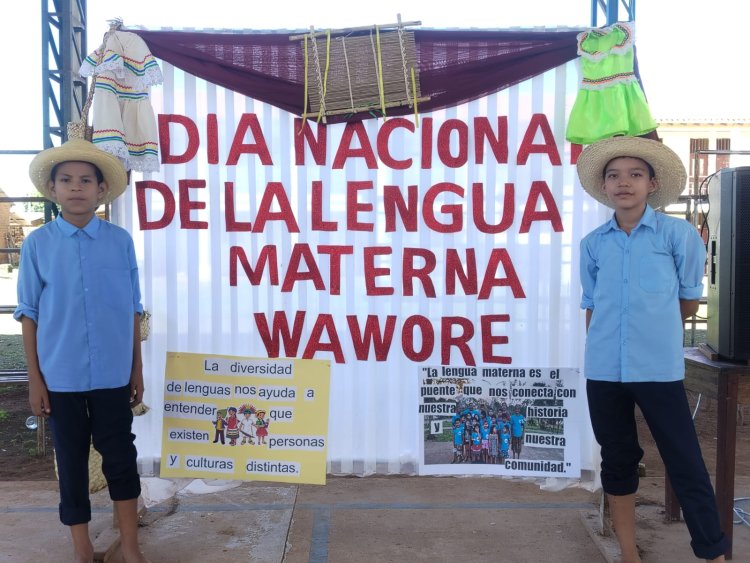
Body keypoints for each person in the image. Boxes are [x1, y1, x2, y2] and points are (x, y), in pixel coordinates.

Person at [577, 135, 729, 562]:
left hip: (658, 369)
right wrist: (605, 346)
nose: (624, 183)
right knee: (618, 459)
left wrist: (654, 332)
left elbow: (687, 298)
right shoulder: (594, 244)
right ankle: (629, 553)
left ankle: (714, 554)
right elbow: (592, 305)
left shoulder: (676, 235)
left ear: (651, 183)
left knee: (685, 460)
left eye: (635, 175)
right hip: (604, 370)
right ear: (604, 186)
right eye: (614, 176)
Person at [15, 138, 149, 562]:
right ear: (52, 190)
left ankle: (129, 546)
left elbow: (132, 309)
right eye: (67, 180)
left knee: (121, 459)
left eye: (86, 180)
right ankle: (82, 548)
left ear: (101, 190)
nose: (77, 188)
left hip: (113, 374)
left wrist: (136, 369)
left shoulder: (119, 241)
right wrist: (35, 379)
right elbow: (29, 314)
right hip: (61, 378)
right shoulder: (37, 245)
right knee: (71, 465)